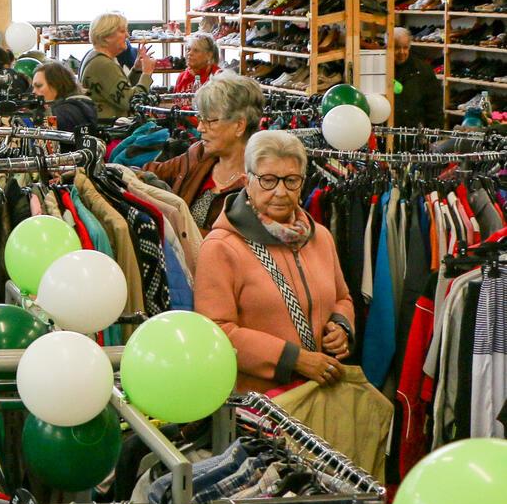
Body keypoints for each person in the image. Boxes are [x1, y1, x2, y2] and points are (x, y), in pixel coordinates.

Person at [195, 130, 355, 394]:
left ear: (302, 183)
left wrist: (340, 327)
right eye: (268, 180)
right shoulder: (222, 247)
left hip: (318, 396)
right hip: (258, 407)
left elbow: (343, 298)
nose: (281, 191)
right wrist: (295, 360)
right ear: (248, 182)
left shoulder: (321, 238)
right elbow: (217, 331)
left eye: (291, 180)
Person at [145, 73, 262, 231]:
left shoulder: (262, 182)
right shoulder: (199, 155)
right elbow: (153, 173)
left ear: (239, 125)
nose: (200, 128)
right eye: (200, 118)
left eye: (210, 121)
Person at [79, 13, 155, 120]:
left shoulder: (94, 56)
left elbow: (117, 91)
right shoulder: (103, 65)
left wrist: (136, 69)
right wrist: (146, 74)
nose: (127, 36)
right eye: (122, 31)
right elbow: (131, 102)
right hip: (111, 130)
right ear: (107, 36)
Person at [392, 26, 441, 128]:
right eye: (396, 47)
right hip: (387, 131)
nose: (401, 52)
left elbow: (434, 104)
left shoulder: (423, 70)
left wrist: (433, 132)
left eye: (405, 47)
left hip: (415, 130)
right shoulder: (380, 69)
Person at [31, 61, 98, 131]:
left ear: (56, 85)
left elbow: (52, 132)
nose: (33, 92)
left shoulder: (66, 111)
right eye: (33, 87)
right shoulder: (80, 104)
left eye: (39, 86)